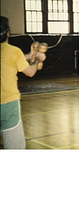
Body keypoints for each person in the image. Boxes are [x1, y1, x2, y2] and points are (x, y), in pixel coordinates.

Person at [0, 16, 46, 149]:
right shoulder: (14, 51)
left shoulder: (14, 54)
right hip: (9, 105)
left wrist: (29, 55)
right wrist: (37, 59)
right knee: (16, 148)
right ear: (8, 33)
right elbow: (30, 72)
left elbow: (9, 61)